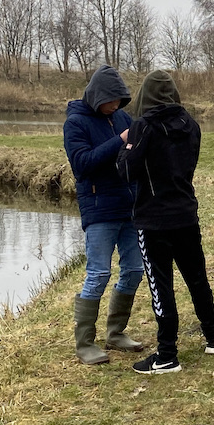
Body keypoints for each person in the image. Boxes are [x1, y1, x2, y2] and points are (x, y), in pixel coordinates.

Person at [117, 70, 214, 374]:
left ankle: (166, 355)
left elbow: (127, 171)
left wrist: (125, 146)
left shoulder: (143, 127)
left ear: (144, 97)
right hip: (186, 214)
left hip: (154, 221)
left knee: (160, 286)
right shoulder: (192, 125)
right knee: (197, 278)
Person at [63, 64, 145, 365]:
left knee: (134, 270)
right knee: (98, 273)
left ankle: (116, 333)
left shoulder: (121, 117)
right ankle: (85, 343)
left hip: (130, 206)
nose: (116, 106)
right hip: (99, 208)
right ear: (98, 97)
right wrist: (120, 140)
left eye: (120, 101)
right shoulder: (75, 123)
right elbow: (83, 165)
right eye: (111, 101)